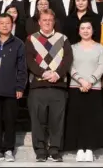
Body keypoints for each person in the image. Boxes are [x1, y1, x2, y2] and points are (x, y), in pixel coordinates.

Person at [25, 9, 73, 162]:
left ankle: (55, 150)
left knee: (57, 120)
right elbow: (30, 60)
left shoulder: (63, 38)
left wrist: (57, 74)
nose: (47, 22)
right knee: (38, 120)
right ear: (39, 22)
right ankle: (40, 150)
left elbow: (67, 59)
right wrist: (43, 73)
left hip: (58, 86)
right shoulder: (31, 39)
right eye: (44, 20)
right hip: (37, 86)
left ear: (54, 21)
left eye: (50, 20)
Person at [64, 19, 103, 162]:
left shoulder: (100, 48)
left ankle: (90, 148)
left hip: (94, 87)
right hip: (75, 87)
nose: (85, 31)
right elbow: (69, 66)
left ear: (93, 30)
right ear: (78, 31)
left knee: (92, 118)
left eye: (88, 28)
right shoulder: (72, 48)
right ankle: (79, 148)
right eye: (82, 28)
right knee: (76, 118)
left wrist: (90, 81)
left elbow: (101, 66)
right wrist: (81, 80)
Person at [0, 13, 27, 162]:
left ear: (12, 25)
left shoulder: (18, 44)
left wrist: (20, 87)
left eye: (7, 23)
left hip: (11, 90)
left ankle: (9, 149)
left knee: (9, 121)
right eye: (1, 23)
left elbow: (22, 68)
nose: (4, 25)